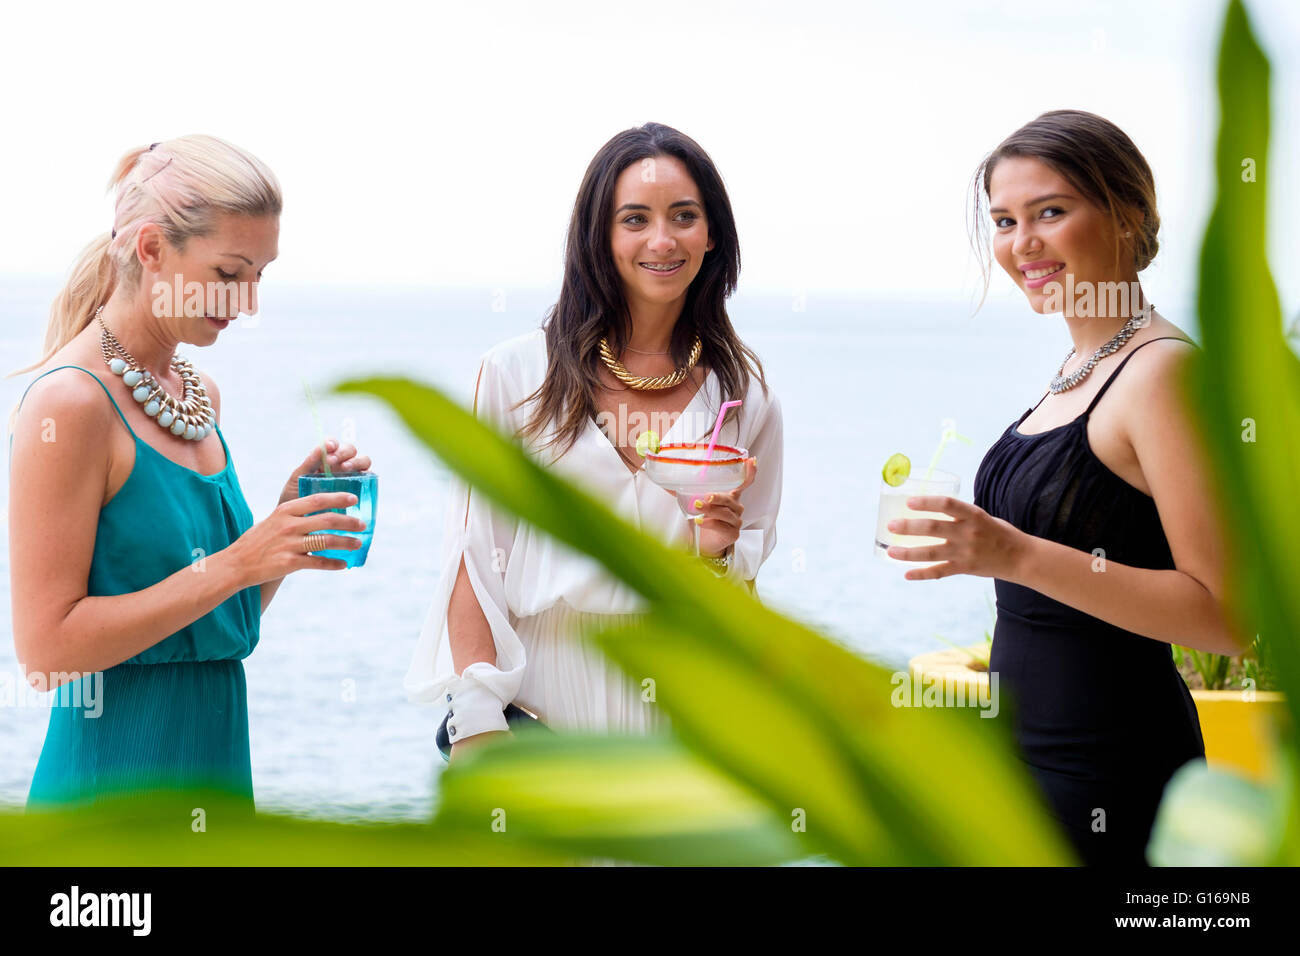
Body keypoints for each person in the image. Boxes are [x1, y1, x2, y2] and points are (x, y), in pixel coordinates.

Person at [888, 110, 1245, 865]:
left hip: (1111, 778)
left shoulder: (1163, 375)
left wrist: (1012, 554)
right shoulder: (1075, 373)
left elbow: (1225, 617)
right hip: (1028, 770)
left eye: (1050, 211)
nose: (1023, 245)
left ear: (1126, 215)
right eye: (1005, 220)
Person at [7, 135, 372, 812]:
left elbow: (210, 630)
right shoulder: (72, 404)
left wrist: (278, 547)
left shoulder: (197, 394)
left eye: (261, 274)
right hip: (111, 797)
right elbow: (44, 652)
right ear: (151, 250)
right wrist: (238, 563)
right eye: (230, 273)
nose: (249, 301)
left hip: (216, 780)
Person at [407, 122, 783, 761]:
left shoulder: (744, 395)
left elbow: (737, 592)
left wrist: (713, 556)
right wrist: (475, 721)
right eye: (634, 218)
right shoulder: (517, 375)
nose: (661, 240)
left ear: (712, 231)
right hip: (542, 699)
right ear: (600, 236)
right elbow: (473, 558)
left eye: (684, 216)